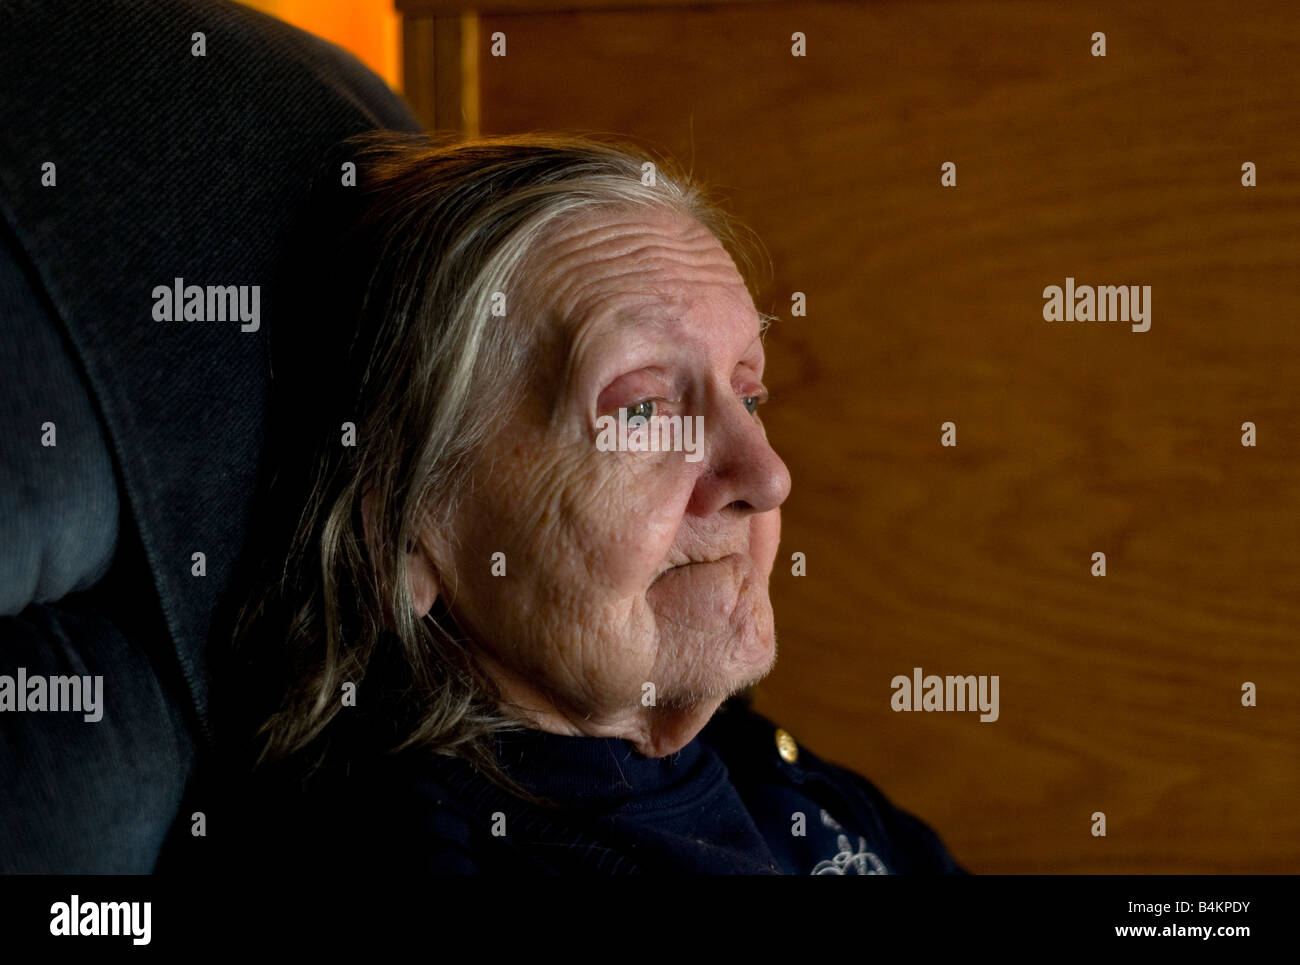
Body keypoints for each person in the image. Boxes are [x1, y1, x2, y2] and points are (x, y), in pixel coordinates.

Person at [220, 130, 965, 875]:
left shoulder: (753, 763)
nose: (767, 475)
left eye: (749, 394)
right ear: (404, 527)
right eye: (641, 408)